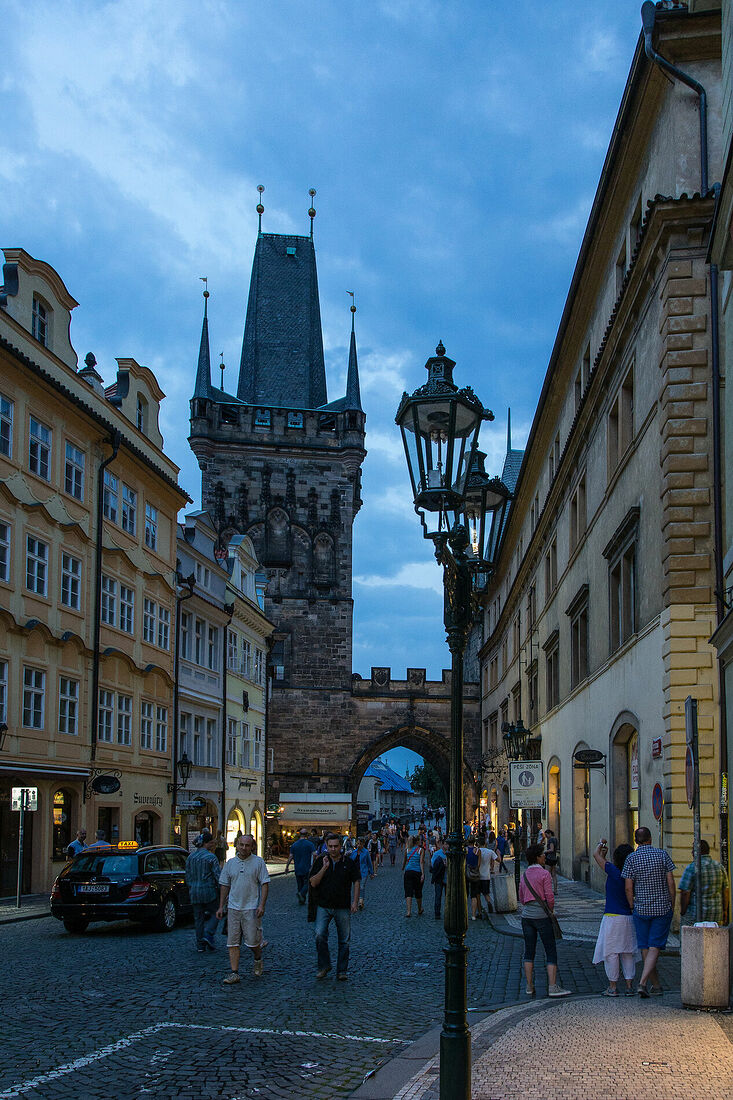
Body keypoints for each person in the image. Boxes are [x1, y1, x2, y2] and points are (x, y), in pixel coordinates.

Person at [622, 826, 675, 997]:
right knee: (655, 946)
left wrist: (632, 905)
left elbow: (628, 887)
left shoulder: (631, 858)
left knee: (645, 946)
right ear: (650, 839)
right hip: (661, 908)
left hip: (641, 908)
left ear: (636, 841)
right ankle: (643, 982)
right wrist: (672, 902)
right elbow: (671, 882)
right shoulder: (662, 855)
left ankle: (656, 985)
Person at [519, 843, 571, 998]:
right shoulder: (544, 874)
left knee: (529, 951)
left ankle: (529, 986)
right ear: (537, 857)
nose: (545, 856)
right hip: (542, 916)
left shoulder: (524, 875)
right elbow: (550, 897)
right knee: (550, 950)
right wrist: (550, 910)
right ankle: (552, 986)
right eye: (542, 854)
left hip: (527, 917)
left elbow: (521, 897)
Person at [217, 834, 270, 984]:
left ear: (252, 846)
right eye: (241, 845)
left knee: (252, 942)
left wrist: (261, 905)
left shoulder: (258, 862)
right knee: (232, 942)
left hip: (251, 908)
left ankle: (257, 957)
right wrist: (221, 906)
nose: (244, 848)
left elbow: (265, 884)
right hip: (233, 908)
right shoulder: (230, 863)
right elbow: (225, 885)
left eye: (247, 845)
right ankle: (234, 973)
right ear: (237, 845)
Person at [592, 839, 640, 996]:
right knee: (628, 952)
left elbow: (595, 855)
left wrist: (601, 843)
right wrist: (604, 856)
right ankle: (629, 986)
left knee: (612, 952)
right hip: (628, 917)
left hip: (612, 917)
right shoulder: (632, 874)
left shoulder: (614, 871)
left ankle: (612, 987)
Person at [309, 833, 360, 979]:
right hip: (323, 905)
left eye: (335, 846)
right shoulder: (321, 861)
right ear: (326, 845)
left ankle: (341, 971)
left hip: (342, 906)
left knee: (344, 940)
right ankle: (324, 965)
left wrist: (355, 902)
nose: (333, 849)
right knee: (319, 935)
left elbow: (356, 881)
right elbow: (313, 882)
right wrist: (324, 868)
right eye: (330, 846)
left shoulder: (348, 862)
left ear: (340, 846)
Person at [679, 839, 730, 926]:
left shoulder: (692, 868)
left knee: (689, 933)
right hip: (716, 915)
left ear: (696, 852)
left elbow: (685, 893)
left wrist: (683, 912)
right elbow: (725, 891)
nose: (691, 853)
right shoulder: (719, 867)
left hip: (695, 914)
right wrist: (725, 910)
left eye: (693, 850)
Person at [186, 828, 221, 952]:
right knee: (216, 912)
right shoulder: (211, 857)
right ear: (207, 843)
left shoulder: (190, 857)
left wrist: (191, 887)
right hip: (208, 891)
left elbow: (187, 876)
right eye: (212, 842)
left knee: (198, 919)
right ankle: (208, 933)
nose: (213, 844)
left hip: (194, 892)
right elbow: (217, 876)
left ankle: (200, 945)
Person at [285, 828, 316, 905]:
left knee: (300, 884)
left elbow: (290, 856)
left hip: (297, 868)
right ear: (307, 835)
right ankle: (301, 894)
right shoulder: (310, 844)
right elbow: (314, 854)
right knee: (307, 883)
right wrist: (313, 864)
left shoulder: (294, 845)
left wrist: (287, 866)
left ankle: (301, 900)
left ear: (300, 835)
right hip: (306, 867)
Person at [402, 835, 425, 917]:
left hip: (408, 871)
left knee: (408, 892)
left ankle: (408, 911)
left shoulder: (407, 850)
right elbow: (421, 862)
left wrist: (403, 868)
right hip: (417, 872)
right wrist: (422, 873)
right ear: (417, 841)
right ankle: (419, 909)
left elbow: (405, 861)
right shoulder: (421, 850)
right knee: (418, 891)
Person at [350, 836, 374, 909]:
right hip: (355, 873)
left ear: (363, 844)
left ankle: (361, 901)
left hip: (363, 872)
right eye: (357, 843)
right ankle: (356, 901)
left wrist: (371, 873)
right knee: (356, 887)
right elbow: (350, 862)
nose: (358, 845)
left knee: (362, 886)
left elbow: (369, 862)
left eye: (360, 844)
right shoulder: (354, 852)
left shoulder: (366, 852)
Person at [431, 839, 447, 919]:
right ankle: (437, 913)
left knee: (448, 897)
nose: (447, 846)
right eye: (446, 844)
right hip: (439, 878)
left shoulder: (451, 854)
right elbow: (433, 865)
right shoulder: (437, 854)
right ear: (442, 844)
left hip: (448, 878)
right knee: (438, 896)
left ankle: (448, 912)